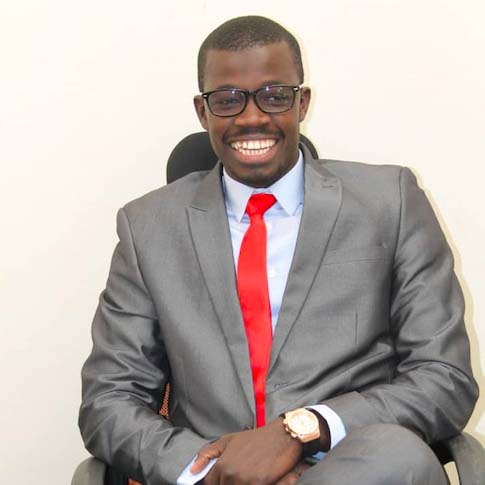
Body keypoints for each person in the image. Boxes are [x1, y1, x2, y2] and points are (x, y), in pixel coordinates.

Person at [79, 16, 478, 485]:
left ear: (302, 102)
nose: (252, 117)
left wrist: (299, 431)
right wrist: (213, 469)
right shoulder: (148, 228)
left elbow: (443, 378)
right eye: (227, 99)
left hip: (353, 465)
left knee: (396, 454)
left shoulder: (390, 203)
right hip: (218, 473)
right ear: (202, 112)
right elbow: (109, 401)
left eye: (274, 95)